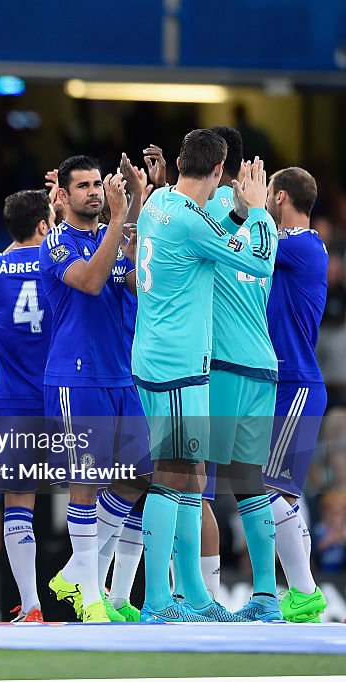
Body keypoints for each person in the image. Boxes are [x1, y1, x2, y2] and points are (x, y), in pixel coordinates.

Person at [132, 129, 275, 622]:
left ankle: (192, 595)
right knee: (173, 475)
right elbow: (256, 259)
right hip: (177, 364)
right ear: (219, 173)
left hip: (157, 355)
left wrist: (233, 214)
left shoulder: (159, 205)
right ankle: (156, 600)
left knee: (189, 476)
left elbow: (208, 239)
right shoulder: (191, 222)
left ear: (178, 163)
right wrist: (256, 209)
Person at [38, 155, 150, 623]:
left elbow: (134, 280)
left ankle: (75, 571)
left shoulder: (111, 232)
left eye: (95, 184)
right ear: (63, 195)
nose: (93, 192)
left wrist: (138, 207)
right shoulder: (56, 242)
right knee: (85, 483)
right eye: (81, 186)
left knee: (140, 475)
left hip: (120, 374)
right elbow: (91, 280)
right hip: (76, 376)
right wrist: (120, 220)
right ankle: (88, 593)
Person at [202, 127, 282, 621]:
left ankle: (196, 596)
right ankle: (267, 597)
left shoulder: (208, 214)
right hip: (263, 365)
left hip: (224, 363)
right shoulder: (265, 221)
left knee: (190, 480)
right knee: (250, 482)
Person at [0, 189, 54, 622]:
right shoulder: (59, 262)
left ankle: (30, 604)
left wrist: (26, 226)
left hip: (14, 397)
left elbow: (14, 247)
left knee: (18, 501)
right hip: (65, 392)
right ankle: (100, 593)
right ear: (44, 225)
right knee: (91, 493)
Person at [260, 166, 328, 622]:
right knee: (279, 493)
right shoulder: (298, 246)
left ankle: (304, 592)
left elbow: (249, 244)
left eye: (266, 191)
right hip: (284, 383)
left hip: (297, 383)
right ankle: (300, 592)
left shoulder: (300, 244)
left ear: (280, 196)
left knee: (270, 489)